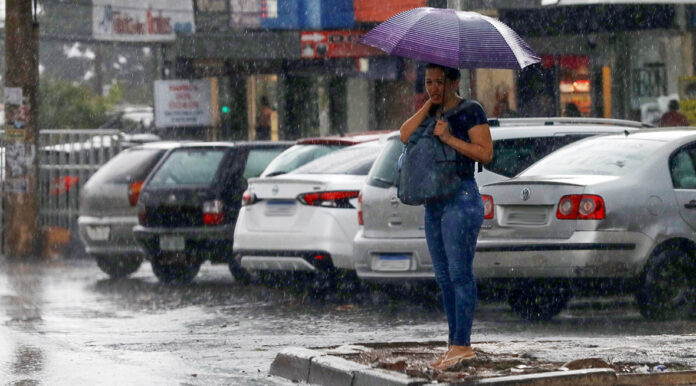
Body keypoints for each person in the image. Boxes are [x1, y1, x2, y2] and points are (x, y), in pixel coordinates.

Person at [399, 63, 493, 371]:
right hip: (434, 201)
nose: (434, 87)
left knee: (459, 273)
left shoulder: (471, 110)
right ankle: (453, 344)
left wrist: (450, 137)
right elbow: (404, 135)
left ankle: (463, 345)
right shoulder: (430, 110)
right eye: (428, 82)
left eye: (440, 82)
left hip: (461, 197)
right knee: (442, 277)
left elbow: (485, 153)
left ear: (455, 81)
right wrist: (430, 104)